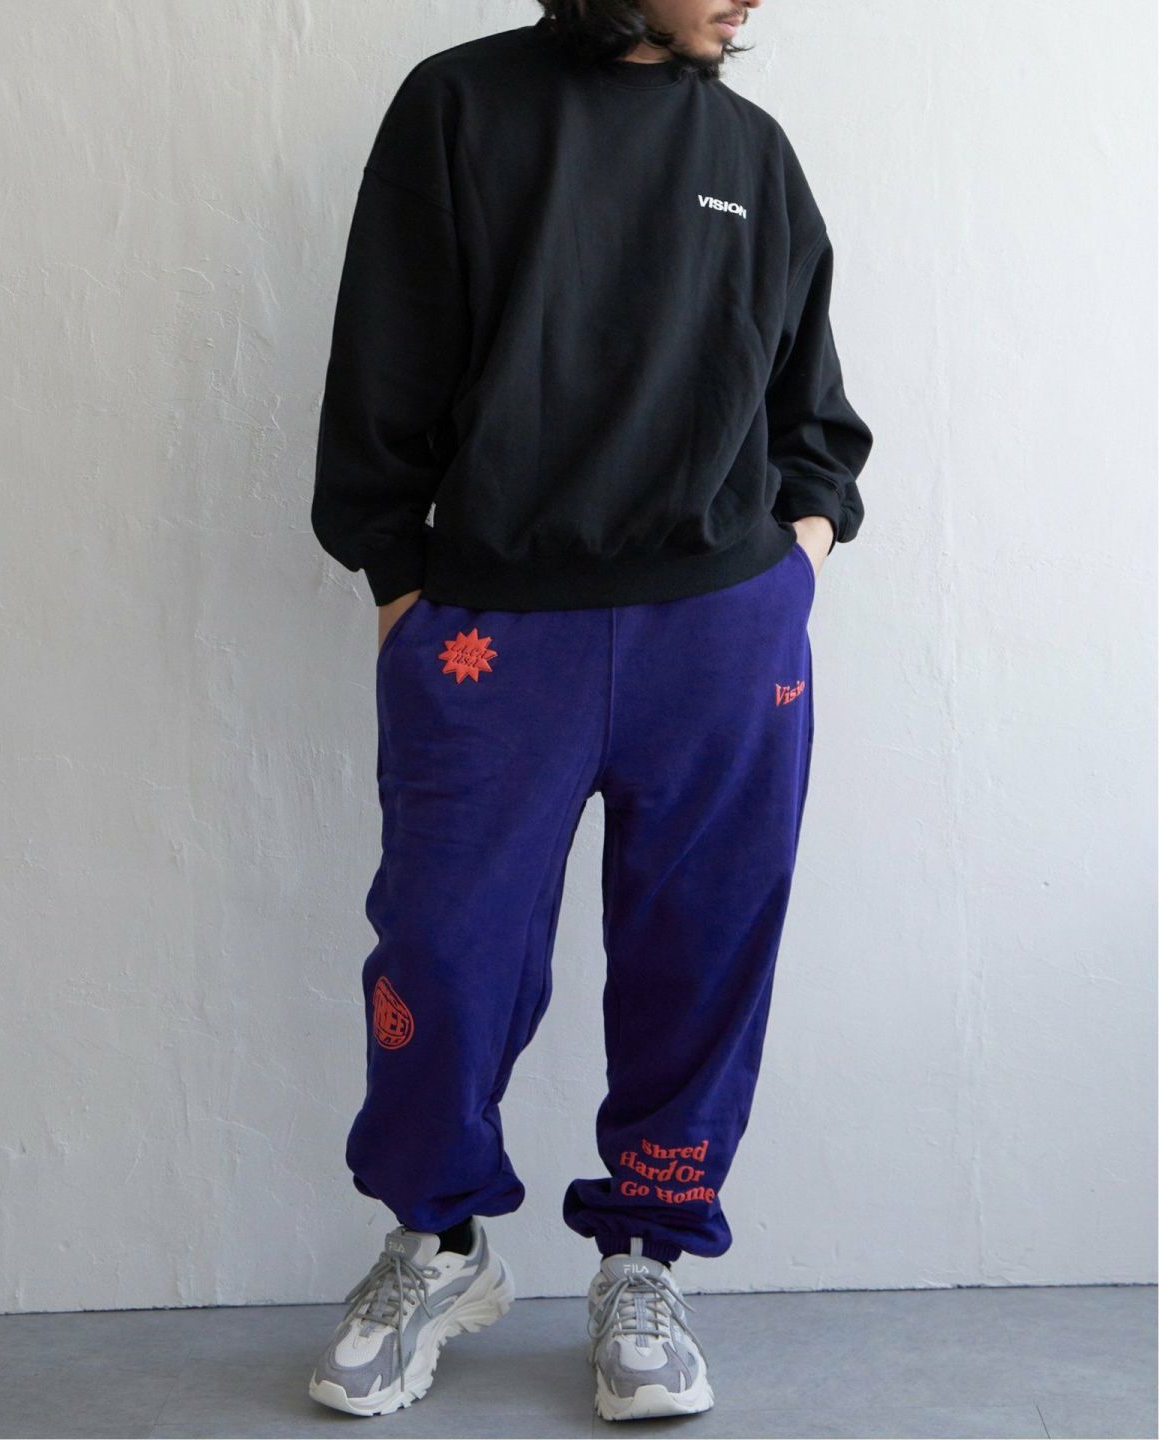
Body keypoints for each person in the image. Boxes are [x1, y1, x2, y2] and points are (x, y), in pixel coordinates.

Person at [307, 0, 872, 1421]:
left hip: (721, 630)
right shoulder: (460, 107)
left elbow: (813, 411)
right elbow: (383, 361)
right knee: (442, 950)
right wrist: (400, 586)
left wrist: (795, 565)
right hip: (493, 631)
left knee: (702, 953)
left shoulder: (752, 151)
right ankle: (438, 1242)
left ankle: (645, 1258)